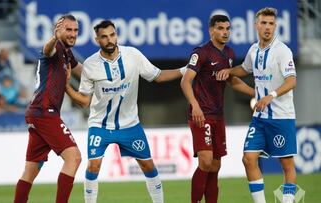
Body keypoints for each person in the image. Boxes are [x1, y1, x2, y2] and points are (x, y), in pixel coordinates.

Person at [65, 20, 184, 203]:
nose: (109, 40)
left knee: (148, 165)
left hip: (130, 125)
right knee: (93, 165)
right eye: (104, 37)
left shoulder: (133, 55)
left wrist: (185, 70)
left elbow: (158, 76)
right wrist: (67, 87)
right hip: (100, 125)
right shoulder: (90, 65)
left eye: (112, 35)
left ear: (116, 35)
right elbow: (84, 101)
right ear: (97, 40)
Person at [217, 7, 297, 203]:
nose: (267, 28)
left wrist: (271, 95)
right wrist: (228, 71)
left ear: (275, 26)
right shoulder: (254, 50)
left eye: (271, 24)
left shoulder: (282, 51)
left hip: (281, 117)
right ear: (256, 25)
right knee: (248, 159)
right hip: (260, 118)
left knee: (286, 165)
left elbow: (292, 80)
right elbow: (245, 69)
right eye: (263, 23)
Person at [180, 15, 255, 203]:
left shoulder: (229, 53)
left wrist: (255, 93)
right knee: (205, 161)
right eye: (221, 28)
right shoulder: (201, 52)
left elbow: (231, 81)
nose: (225, 32)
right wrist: (195, 105)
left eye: (228, 29)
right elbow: (185, 81)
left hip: (218, 116)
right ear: (211, 30)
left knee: (215, 165)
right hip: (201, 115)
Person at [14, 14, 83, 203]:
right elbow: (47, 49)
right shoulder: (55, 47)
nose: (73, 34)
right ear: (58, 30)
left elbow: (84, 72)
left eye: (75, 30)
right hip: (45, 112)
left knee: (31, 170)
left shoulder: (67, 53)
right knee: (74, 157)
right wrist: (55, 37)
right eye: (68, 30)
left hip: (38, 113)